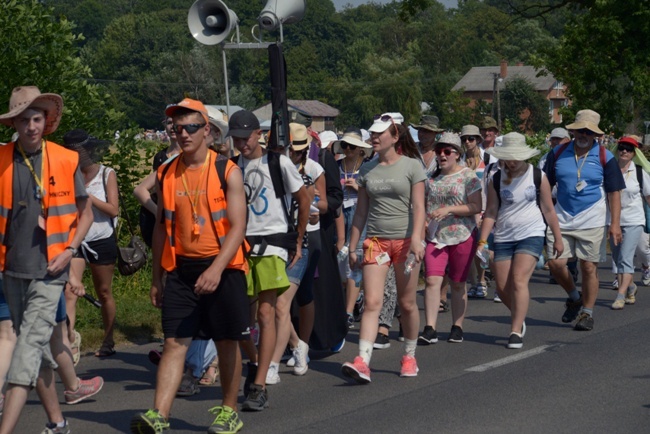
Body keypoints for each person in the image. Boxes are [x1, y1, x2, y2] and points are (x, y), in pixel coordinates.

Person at [130, 98, 250, 434]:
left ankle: (229, 410)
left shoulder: (227, 170)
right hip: (181, 269)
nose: (182, 133)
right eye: (176, 128)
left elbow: (238, 227)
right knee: (174, 342)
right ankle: (159, 414)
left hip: (224, 268)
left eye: (190, 127)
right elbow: (160, 228)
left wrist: (216, 269)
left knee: (227, 340)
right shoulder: (166, 171)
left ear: (207, 132)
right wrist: (156, 276)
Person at [0, 86, 93, 434]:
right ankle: (57, 422)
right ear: (15, 123)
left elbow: (85, 214)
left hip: (51, 271)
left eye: (36, 118)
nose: (31, 126)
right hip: (11, 270)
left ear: (46, 121)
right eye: (23, 120)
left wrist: (70, 250)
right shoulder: (2, 159)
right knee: (36, 351)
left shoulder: (66, 160)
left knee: (24, 353)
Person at [230, 110, 309, 411]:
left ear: (258, 134)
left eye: (245, 138)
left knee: (267, 313)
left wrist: (298, 240)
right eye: (236, 139)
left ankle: (260, 384)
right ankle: (255, 362)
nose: (241, 144)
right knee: (240, 321)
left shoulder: (278, 162)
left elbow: (303, 198)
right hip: (242, 245)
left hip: (274, 244)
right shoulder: (232, 166)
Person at [341, 113, 426, 383]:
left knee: (407, 303)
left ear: (395, 136)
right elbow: (361, 212)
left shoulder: (412, 167)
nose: (373, 138)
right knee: (372, 302)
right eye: (372, 133)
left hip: (405, 242)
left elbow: (420, 207)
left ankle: (409, 356)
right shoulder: (367, 169)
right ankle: (362, 361)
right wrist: (352, 246)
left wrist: (416, 238)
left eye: (379, 134)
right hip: (376, 242)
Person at [479, 132, 563, 348]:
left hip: (531, 232)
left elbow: (548, 209)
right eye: (509, 156)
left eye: (517, 156)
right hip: (504, 235)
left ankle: (515, 330)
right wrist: (482, 241)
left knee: (518, 280)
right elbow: (490, 212)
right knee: (501, 286)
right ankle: (519, 314)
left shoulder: (537, 176)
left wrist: (557, 238)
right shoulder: (495, 179)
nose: (513, 161)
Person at [543, 109, 625, 331]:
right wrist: (541, 214)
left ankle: (587, 313)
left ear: (595, 135)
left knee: (588, 267)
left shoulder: (604, 156)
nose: (584, 135)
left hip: (592, 219)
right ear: (573, 131)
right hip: (561, 217)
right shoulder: (558, 153)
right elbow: (545, 185)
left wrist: (615, 224)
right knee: (556, 263)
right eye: (580, 130)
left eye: (589, 132)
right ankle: (574, 296)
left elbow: (614, 192)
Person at [417, 133, 482, 345]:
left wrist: (450, 209)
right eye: (438, 151)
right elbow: (424, 207)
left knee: (457, 283)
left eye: (447, 151)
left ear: (457, 154)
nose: (442, 155)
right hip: (436, 237)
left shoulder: (468, 176)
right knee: (432, 280)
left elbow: (476, 206)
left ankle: (457, 326)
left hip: (462, 234)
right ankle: (430, 328)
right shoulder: (431, 179)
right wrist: (424, 223)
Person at [60, 129, 118, 358]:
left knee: (103, 292)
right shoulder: (67, 174)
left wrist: (87, 196)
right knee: (69, 292)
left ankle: (108, 339)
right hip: (76, 240)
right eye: (71, 151)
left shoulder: (106, 174)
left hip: (102, 238)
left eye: (78, 151)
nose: (75, 155)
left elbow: (113, 209)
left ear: (88, 150)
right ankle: (69, 341)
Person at [333, 127, 372, 329]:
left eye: (353, 146)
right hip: (339, 214)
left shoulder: (367, 167)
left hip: (360, 213)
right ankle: (355, 299)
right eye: (345, 145)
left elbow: (375, 194)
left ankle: (347, 312)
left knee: (354, 260)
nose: (348, 149)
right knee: (340, 261)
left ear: (361, 150)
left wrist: (358, 188)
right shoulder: (336, 165)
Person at [609, 136, 650, 309]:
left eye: (629, 149)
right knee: (618, 258)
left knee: (625, 257)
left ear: (634, 154)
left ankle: (620, 295)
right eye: (621, 148)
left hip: (634, 220)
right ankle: (631, 287)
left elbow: (648, 197)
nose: (624, 151)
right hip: (613, 221)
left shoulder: (640, 172)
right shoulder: (609, 170)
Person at [136, 115, 181, 248]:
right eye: (169, 123)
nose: (172, 127)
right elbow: (156, 185)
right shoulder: (160, 157)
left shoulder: (190, 156)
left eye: (175, 123)